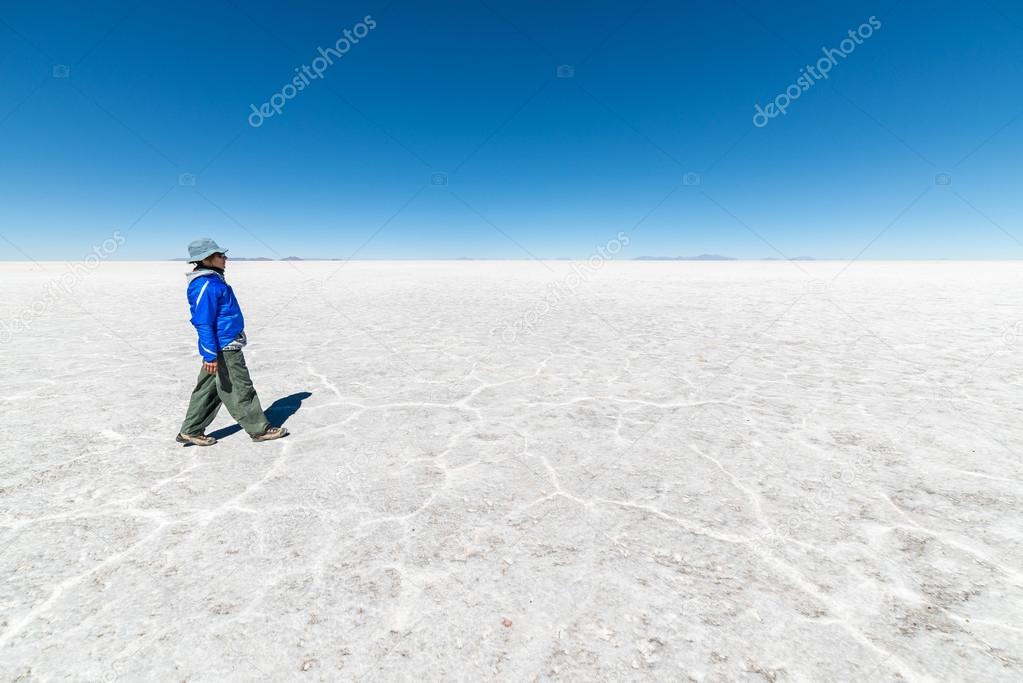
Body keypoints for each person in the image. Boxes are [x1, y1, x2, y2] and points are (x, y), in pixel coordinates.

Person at [176, 238, 289, 446]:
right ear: (206, 259)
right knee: (239, 387)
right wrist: (210, 353)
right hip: (224, 346)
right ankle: (259, 429)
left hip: (223, 343)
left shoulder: (214, 279)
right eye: (220, 255)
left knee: (208, 390)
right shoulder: (205, 284)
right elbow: (203, 321)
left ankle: (190, 429)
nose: (225, 258)